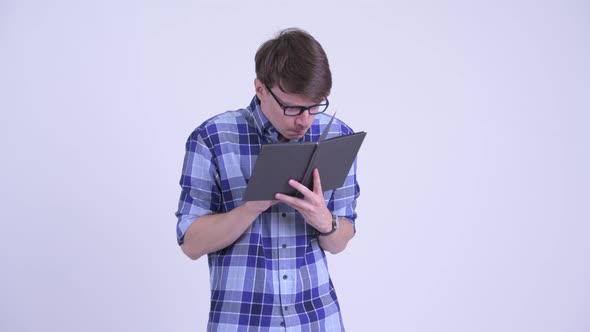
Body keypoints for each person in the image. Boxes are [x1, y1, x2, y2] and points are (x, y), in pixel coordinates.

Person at [175, 27, 360, 331]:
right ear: (260, 89)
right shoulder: (213, 138)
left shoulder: (337, 136)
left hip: (317, 320)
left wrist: (325, 220)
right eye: (292, 107)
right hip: (241, 322)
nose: (305, 120)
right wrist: (250, 207)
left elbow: (340, 241)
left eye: (315, 106)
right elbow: (191, 244)